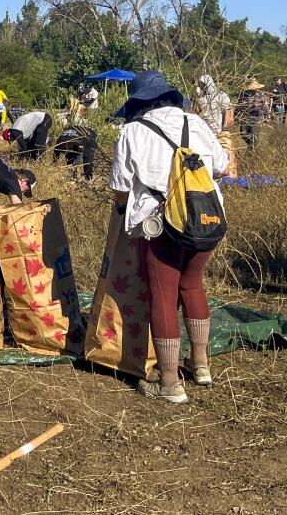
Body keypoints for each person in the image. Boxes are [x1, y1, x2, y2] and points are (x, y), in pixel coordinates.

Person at [110, 70, 229, 404]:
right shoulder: (198, 124)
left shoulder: (132, 131)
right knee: (192, 284)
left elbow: (120, 188)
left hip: (160, 223)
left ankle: (168, 383)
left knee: (162, 294)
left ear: (138, 102)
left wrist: (124, 210)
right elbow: (221, 167)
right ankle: (201, 366)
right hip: (206, 218)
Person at [235, 79, 268, 150]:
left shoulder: (260, 94)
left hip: (256, 116)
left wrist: (266, 117)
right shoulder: (243, 94)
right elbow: (239, 105)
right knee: (243, 134)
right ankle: (250, 146)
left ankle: (252, 151)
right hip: (245, 116)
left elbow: (265, 106)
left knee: (254, 136)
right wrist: (236, 116)